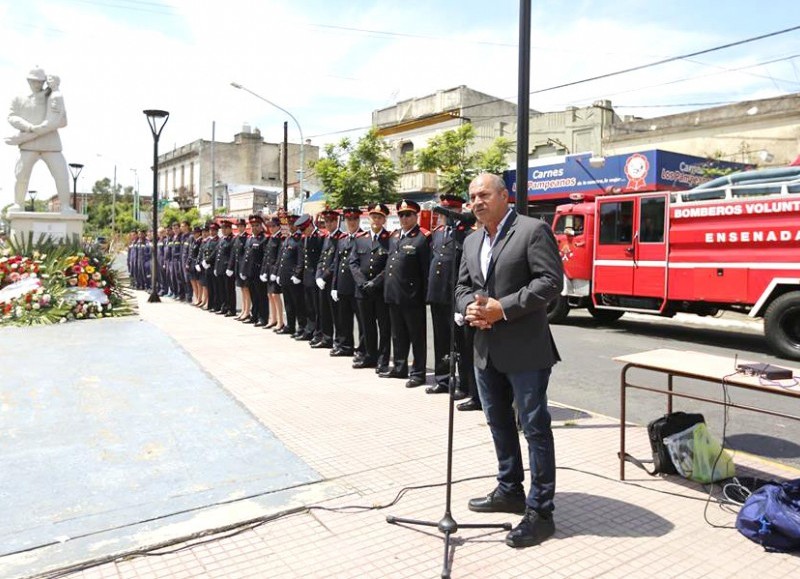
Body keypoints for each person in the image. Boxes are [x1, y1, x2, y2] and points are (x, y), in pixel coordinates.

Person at [454, 173, 563, 549]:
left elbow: (550, 282)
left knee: (534, 428)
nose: (476, 202)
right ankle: (510, 489)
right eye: (472, 197)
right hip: (485, 349)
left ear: (504, 195)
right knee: (498, 422)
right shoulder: (471, 239)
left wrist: (504, 308)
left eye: (483, 194)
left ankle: (541, 511)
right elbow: (462, 286)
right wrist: (468, 306)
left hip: (526, 350)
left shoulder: (532, 230)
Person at [425, 194, 473, 402]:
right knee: (441, 340)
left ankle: (464, 384)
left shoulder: (468, 235)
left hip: (455, 298)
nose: (443, 217)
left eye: (448, 212)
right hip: (438, 296)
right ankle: (443, 379)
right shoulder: (438, 234)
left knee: (460, 344)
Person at [6, 68, 73, 213]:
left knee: (61, 175)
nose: (37, 84)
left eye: (40, 81)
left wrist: (44, 128)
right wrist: (29, 127)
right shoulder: (19, 98)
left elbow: (62, 121)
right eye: (34, 81)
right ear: (28, 81)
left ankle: (65, 206)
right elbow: (11, 116)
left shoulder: (53, 96)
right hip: (27, 144)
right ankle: (18, 204)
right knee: (21, 175)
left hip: (51, 144)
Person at [381, 199, 431, 388]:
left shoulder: (423, 237)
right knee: (398, 334)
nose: (404, 218)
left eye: (408, 214)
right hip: (394, 294)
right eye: (401, 215)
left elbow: (426, 270)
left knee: (416, 336)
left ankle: (418, 373)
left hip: (412, 296)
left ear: (415, 216)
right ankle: (400, 367)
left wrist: (425, 295)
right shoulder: (394, 236)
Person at [349, 202, 392, 372]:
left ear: (384, 220)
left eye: (380, 217)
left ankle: (383, 360)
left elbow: (389, 265)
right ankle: (369, 356)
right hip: (363, 291)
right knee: (366, 326)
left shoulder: (390, 239)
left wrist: (375, 282)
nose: (376, 220)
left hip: (380, 291)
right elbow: (353, 262)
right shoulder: (361, 239)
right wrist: (361, 282)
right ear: (369, 218)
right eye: (374, 216)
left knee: (384, 327)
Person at [330, 207, 364, 358]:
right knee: (344, 319)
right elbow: (337, 263)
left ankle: (363, 349)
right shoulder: (342, 239)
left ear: (358, 220)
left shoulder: (363, 237)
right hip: (343, 284)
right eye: (349, 219)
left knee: (362, 321)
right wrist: (334, 286)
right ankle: (345, 345)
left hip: (356, 285)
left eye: (354, 219)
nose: (351, 222)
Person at [313, 208, 344, 350]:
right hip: (322, 282)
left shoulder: (340, 238)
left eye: (331, 221)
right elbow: (321, 258)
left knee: (336, 314)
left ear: (336, 221)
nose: (328, 224)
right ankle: (326, 338)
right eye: (326, 221)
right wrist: (318, 275)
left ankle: (338, 341)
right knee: (323, 310)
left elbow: (335, 262)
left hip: (332, 281)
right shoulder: (327, 238)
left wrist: (324, 277)